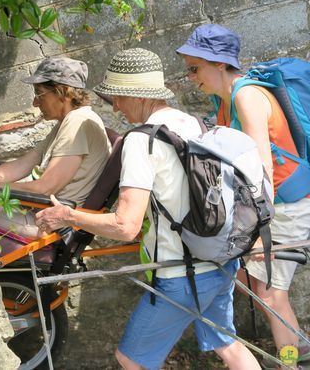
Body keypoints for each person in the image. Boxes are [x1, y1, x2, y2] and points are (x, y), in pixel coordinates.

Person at [34, 48, 259, 370]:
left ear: (134, 95)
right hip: (220, 261)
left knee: (131, 359)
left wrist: (67, 216)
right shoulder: (194, 123)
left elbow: (126, 225)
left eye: (116, 98)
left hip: (183, 274)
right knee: (228, 345)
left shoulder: (142, 140)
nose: (117, 108)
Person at [176, 23, 310, 363]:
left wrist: (260, 234)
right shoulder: (224, 101)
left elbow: (260, 169)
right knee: (253, 283)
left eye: (195, 68)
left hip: (287, 206)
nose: (191, 77)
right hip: (273, 205)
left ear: (220, 64)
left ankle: (294, 359)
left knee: (269, 294)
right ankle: (297, 348)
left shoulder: (247, 96)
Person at [0, 56, 112, 237]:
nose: (35, 103)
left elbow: (45, 188)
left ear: (63, 92)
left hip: (45, 221)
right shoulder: (68, 121)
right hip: (35, 210)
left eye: (39, 94)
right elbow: (21, 164)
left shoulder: (78, 122)